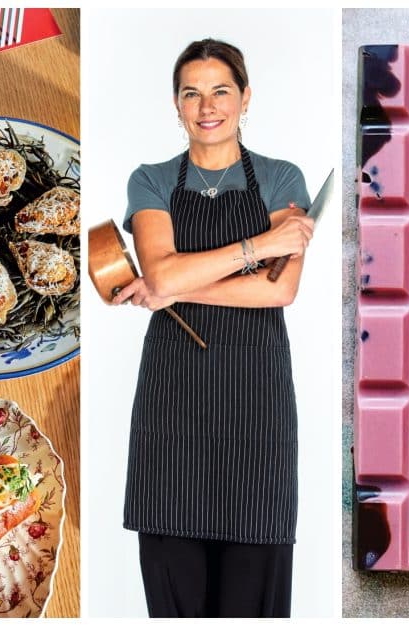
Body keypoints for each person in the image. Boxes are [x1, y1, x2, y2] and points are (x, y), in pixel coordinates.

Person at [111, 38, 316, 617]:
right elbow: (158, 267)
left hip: (257, 408)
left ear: (245, 97)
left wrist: (173, 285)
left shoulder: (281, 178)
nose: (207, 106)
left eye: (221, 90)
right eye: (192, 93)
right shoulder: (150, 181)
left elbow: (280, 289)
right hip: (172, 409)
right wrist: (259, 245)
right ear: (176, 105)